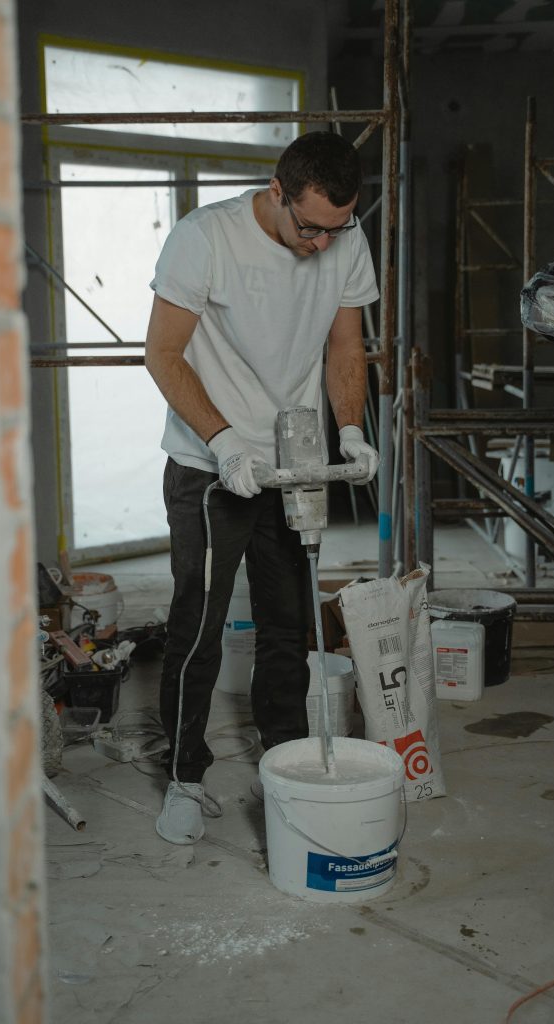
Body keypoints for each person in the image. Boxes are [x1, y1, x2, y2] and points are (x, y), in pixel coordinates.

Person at [144, 130, 380, 845]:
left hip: (295, 453)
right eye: (308, 226)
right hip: (208, 462)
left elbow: (345, 344)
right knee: (198, 625)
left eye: (334, 229)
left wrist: (349, 432)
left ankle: (283, 754)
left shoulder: (342, 236)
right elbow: (161, 353)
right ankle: (185, 776)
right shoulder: (203, 239)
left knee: (288, 621)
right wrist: (220, 444)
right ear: (276, 192)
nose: (319, 245)